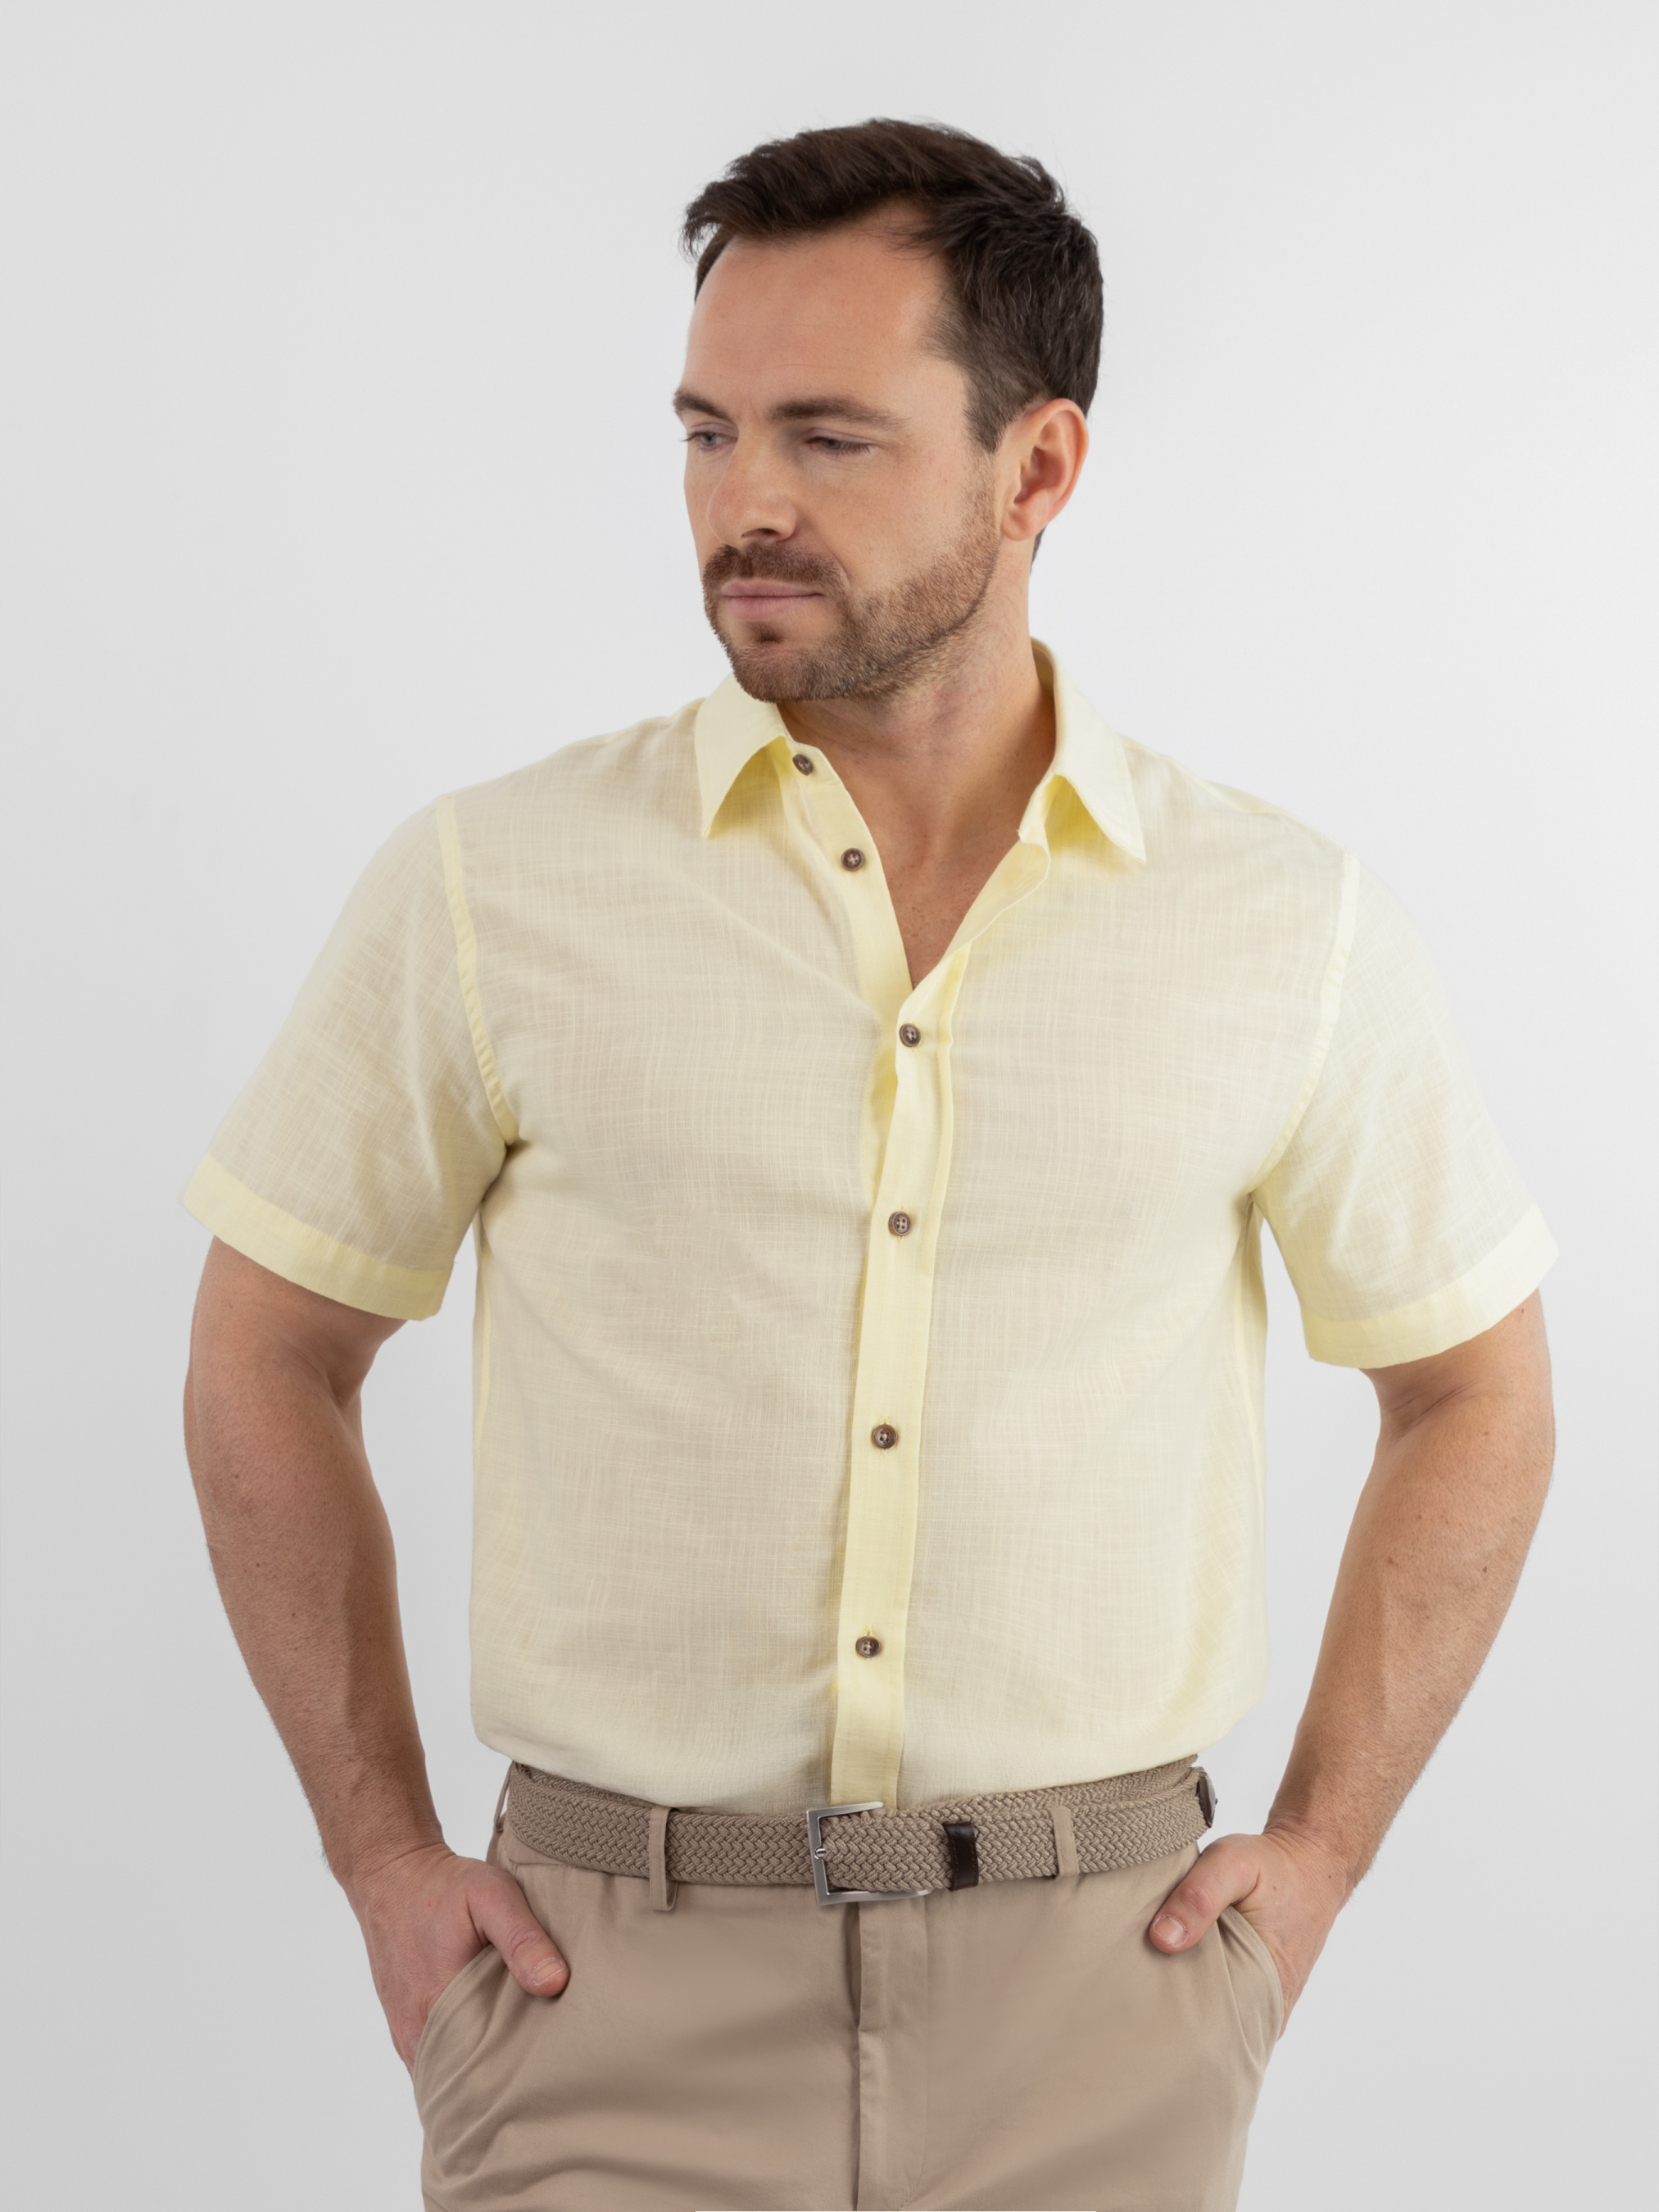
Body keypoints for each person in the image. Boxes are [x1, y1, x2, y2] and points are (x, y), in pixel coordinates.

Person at [181, 119, 1557, 2212]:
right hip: (598, 1999)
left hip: (1103, 2006)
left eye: (827, 437)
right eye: (705, 431)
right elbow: (266, 1356)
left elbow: (1473, 1393)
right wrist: (380, 1854)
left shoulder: (1282, 923)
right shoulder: (489, 887)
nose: (742, 499)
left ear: (1037, 468)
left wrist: (1321, 1853)